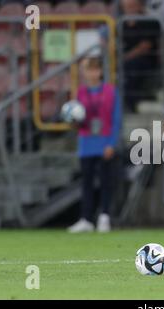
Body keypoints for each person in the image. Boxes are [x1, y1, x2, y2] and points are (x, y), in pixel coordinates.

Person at [67, 57, 121, 233]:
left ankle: (104, 217)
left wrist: (111, 143)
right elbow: (78, 119)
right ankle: (86, 219)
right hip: (86, 142)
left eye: (94, 70)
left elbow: (116, 119)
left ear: (100, 72)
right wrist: (73, 121)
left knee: (106, 182)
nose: (91, 74)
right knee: (87, 183)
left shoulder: (110, 91)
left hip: (104, 141)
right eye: (88, 70)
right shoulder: (81, 93)